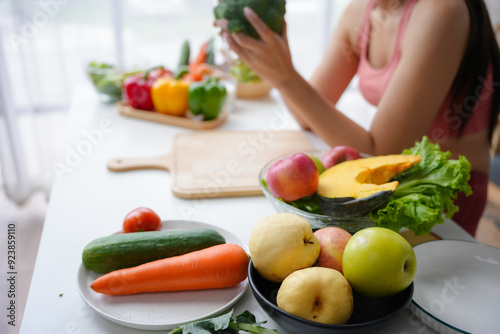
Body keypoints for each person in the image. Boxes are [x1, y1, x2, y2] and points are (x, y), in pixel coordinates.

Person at [216, 0, 500, 236]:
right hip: (387, 182)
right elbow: (306, 116)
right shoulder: (362, 11)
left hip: (435, 192)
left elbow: (381, 151)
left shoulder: (442, 10)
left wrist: (286, 77)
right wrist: (273, 66)